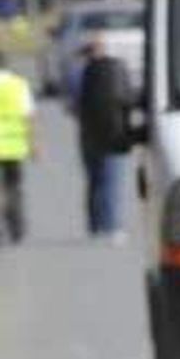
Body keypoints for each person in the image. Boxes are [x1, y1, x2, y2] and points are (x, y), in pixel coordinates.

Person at [70, 37, 132, 240]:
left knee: (94, 179)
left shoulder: (77, 73)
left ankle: (95, 224)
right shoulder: (114, 71)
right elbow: (126, 97)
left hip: (87, 131)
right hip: (112, 130)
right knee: (111, 178)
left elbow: (72, 104)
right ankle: (111, 225)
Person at [0, 50, 37, 245]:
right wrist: (33, 144)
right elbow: (28, 116)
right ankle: (16, 228)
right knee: (13, 187)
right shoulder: (19, 85)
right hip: (13, 146)